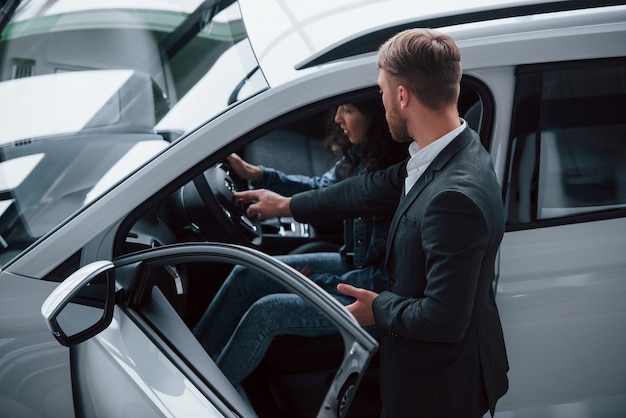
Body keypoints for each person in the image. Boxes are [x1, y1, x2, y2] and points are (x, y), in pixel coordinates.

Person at [236, 28, 509, 417]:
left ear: (402, 96)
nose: (381, 104)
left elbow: (444, 320)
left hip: (439, 391)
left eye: (382, 91)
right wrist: (285, 204)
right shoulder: (450, 152)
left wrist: (377, 309)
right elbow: (361, 190)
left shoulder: (454, 198)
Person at [192, 99, 408, 387]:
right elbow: (323, 189)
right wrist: (259, 176)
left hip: (373, 296)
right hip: (355, 265)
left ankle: (205, 393)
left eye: (349, 110)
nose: (338, 118)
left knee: (266, 313)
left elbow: (380, 279)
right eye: (339, 108)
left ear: (378, 117)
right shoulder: (363, 153)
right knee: (247, 273)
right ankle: (194, 361)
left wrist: (319, 282)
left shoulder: (394, 179)